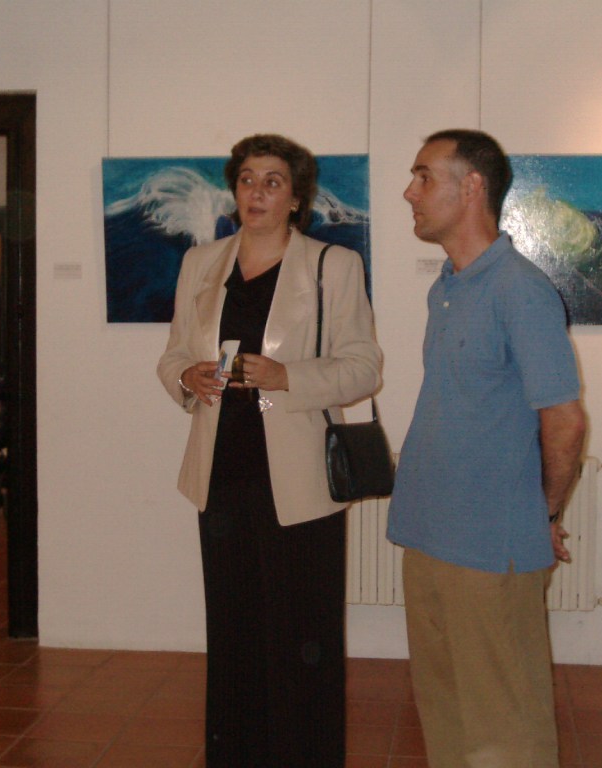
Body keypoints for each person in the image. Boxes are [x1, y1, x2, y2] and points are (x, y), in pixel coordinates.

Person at [157, 133, 382, 767]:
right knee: (233, 636)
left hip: (299, 483)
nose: (257, 192)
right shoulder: (201, 263)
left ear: (297, 199)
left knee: (304, 641)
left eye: (273, 181)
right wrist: (187, 377)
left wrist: (290, 377)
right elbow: (173, 356)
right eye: (247, 179)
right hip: (220, 476)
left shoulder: (332, 265)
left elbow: (364, 368)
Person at [387, 130, 587, 767]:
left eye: (424, 176)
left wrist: (543, 513)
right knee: (444, 706)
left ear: (472, 187)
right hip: (428, 533)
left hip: (489, 545)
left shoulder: (520, 290)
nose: (409, 192)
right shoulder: (446, 287)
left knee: (505, 722)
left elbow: (565, 422)